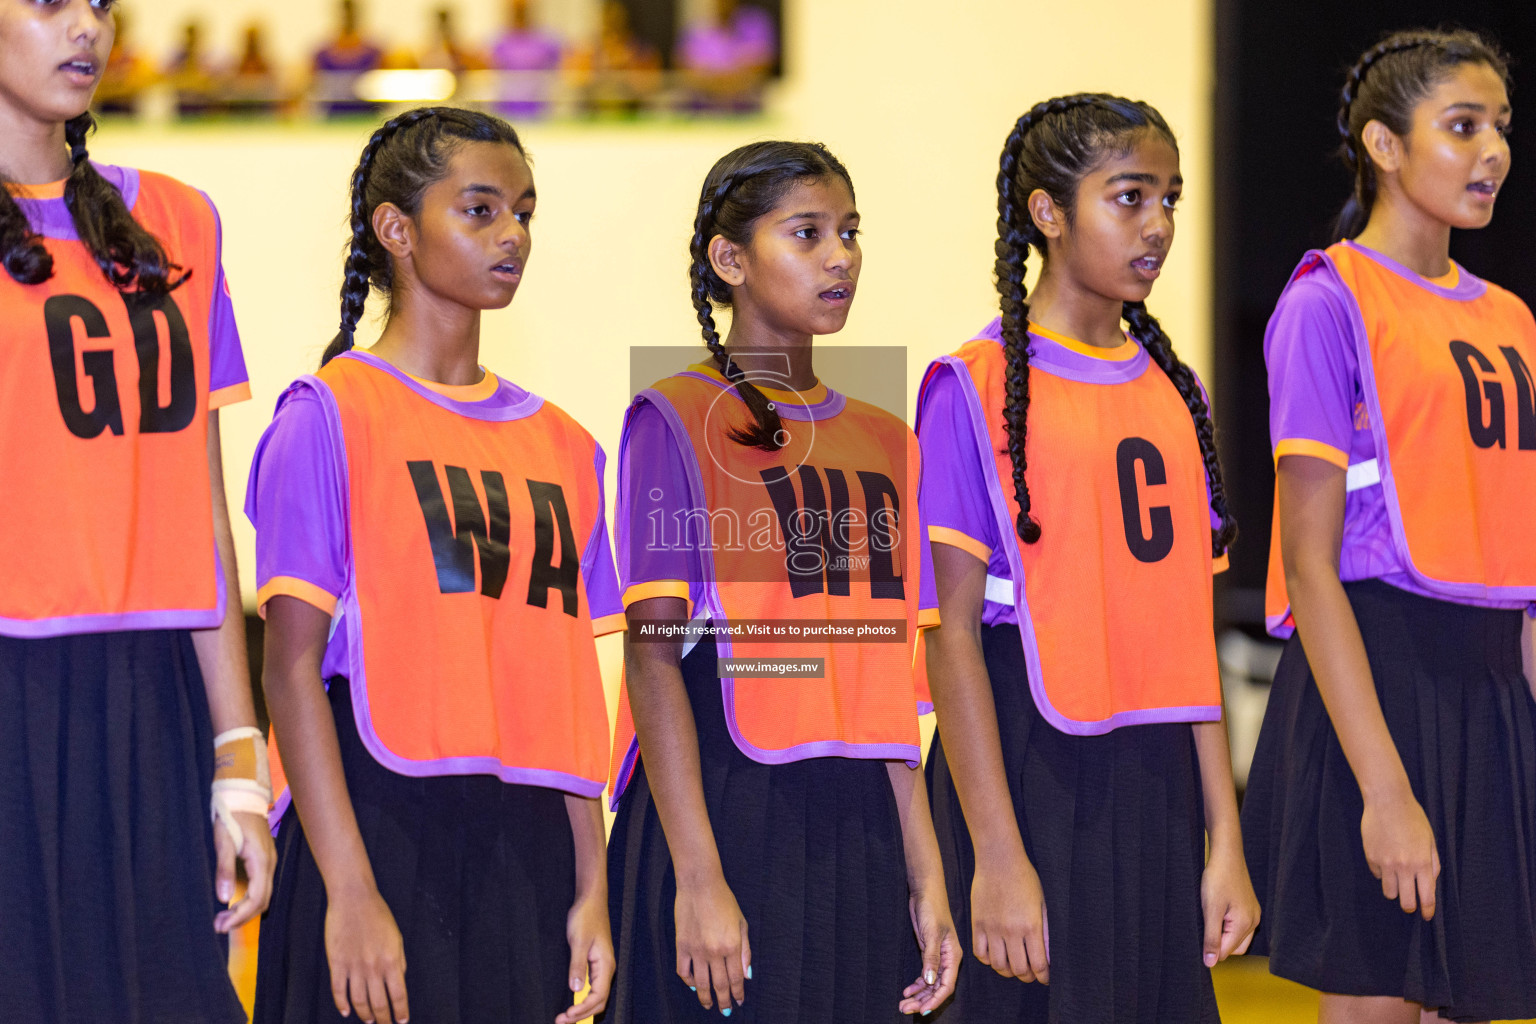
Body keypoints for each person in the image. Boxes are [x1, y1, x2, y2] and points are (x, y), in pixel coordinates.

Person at [250, 107, 620, 1024]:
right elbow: (290, 669)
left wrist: (592, 885)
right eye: (481, 209)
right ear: (396, 230)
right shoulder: (329, 415)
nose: (514, 236)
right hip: (378, 830)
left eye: (524, 212)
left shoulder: (566, 446)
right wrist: (348, 887)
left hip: (525, 852)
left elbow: (568, 688)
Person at [919, 94, 1259, 1022]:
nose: (1158, 226)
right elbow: (949, 638)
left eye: (1171, 199)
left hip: (1154, 791)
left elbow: (1189, 640)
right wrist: (995, 853)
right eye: (1129, 196)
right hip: (1025, 775)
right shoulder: (972, 384)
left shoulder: (1178, 393)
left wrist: (1224, 837)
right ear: (1047, 213)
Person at [605, 140, 960, 1023]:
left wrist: (927, 873)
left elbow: (884, 688)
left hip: (859, 830)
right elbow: (651, 664)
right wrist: (698, 876)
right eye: (807, 233)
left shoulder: (887, 438)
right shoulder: (675, 417)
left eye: (849, 232)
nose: (840, 256)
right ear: (731, 260)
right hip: (726, 812)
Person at [1241, 29, 1536, 1024]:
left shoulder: (1511, 320)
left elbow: (1516, 561)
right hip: (1376, 684)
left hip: (1492, 693)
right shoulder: (1329, 303)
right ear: (1383, 144)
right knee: (1377, 1003)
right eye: (1463, 126)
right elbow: (1309, 569)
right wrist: (1384, 787)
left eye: (1501, 127)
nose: (1493, 149)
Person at [0, 0, 275, 1019]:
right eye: (48, 3)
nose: (86, 27)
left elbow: (199, 509)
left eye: (102, 5)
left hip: (151, 694)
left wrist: (237, 760)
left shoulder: (180, 216)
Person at [489, 0, 563, 119]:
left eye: (523, 9)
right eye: (516, 9)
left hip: (539, 105)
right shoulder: (497, 39)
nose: (520, 12)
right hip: (506, 105)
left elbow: (562, 67)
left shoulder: (547, 39)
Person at [312, 0, 384, 116]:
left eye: (350, 12)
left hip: (365, 116)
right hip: (333, 117)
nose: (347, 17)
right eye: (344, 12)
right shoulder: (322, 54)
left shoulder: (374, 53)